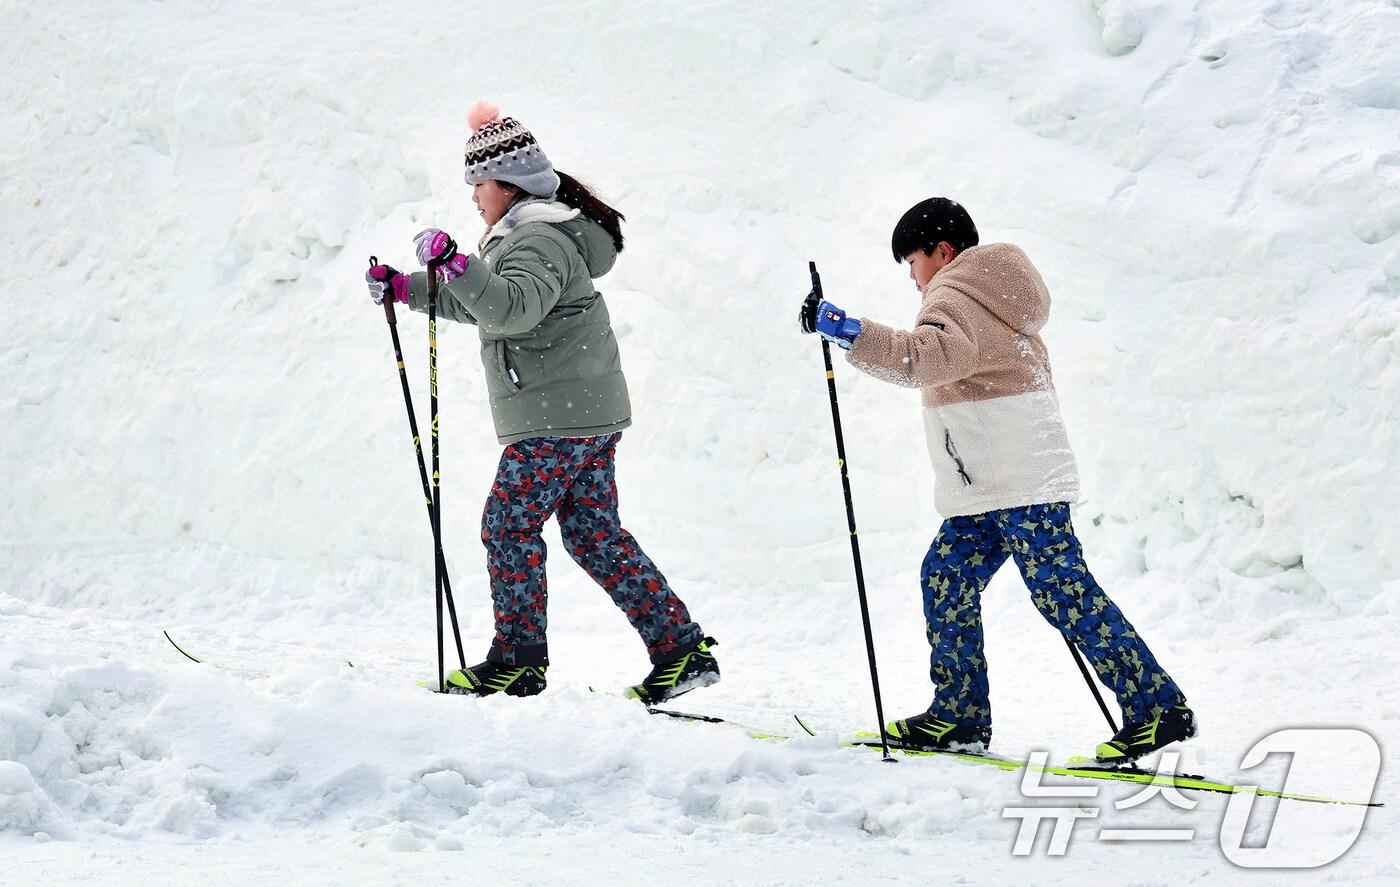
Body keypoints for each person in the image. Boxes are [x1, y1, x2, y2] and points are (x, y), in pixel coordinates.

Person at [799, 197, 1194, 763]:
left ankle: (1157, 706)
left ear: (943, 250)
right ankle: (959, 714)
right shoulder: (988, 293)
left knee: (1061, 589)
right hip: (991, 482)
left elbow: (924, 358)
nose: (914, 279)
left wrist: (845, 329)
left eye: (913, 262)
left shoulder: (959, 292)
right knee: (946, 577)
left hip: (1018, 479)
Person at [365, 102, 717, 703]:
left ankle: (518, 659)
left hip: (558, 416)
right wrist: (411, 288)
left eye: (479, 185)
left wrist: (456, 263)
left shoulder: (539, 239)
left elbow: (509, 308)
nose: (475, 197)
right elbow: (488, 303)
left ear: (508, 184)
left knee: (508, 524)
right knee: (592, 533)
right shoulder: (527, 237)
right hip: (580, 411)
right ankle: (679, 649)